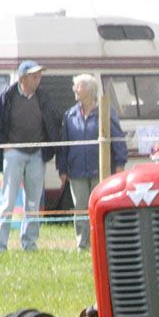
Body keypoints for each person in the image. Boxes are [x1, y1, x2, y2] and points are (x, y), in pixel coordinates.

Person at [0, 60, 61, 253]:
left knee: (33, 202)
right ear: (23, 78)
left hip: (36, 156)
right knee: (8, 202)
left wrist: (48, 148)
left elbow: (54, 123)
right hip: (14, 155)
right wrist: (5, 145)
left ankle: (30, 244)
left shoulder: (43, 98)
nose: (38, 79)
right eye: (34, 76)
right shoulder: (7, 96)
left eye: (39, 76)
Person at [55, 74, 128, 251]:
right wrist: (62, 168)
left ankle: (103, 244)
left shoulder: (106, 112)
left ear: (89, 90)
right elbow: (64, 144)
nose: (74, 90)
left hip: (101, 170)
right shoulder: (70, 115)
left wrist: (119, 164)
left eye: (77, 87)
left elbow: (118, 138)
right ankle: (83, 245)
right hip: (77, 171)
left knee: (101, 206)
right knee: (80, 208)